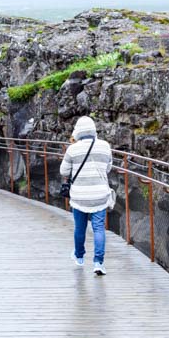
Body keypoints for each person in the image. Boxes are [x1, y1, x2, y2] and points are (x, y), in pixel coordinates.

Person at [60, 116, 112, 276]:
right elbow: (108, 167)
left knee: (80, 227)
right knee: (98, 228)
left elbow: (64, 171)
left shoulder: (73, 149)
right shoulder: (105, 146)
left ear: (78, 131)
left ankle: (79, 256)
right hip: (100, 195)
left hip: (79, 196)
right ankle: (98, 262)